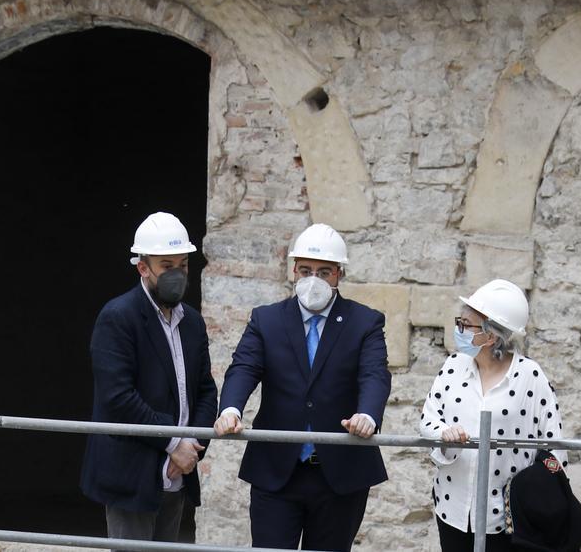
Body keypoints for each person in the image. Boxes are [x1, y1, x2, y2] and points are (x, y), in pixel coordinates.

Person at [214, 223, 392, 552]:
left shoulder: (364, 322)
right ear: (294, 270)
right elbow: (244, 366)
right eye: (307, 270)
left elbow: (374, 374)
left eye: (324, 272)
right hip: (276, 470)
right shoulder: (266, 319)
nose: (314, 280)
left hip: (338, 475)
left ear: (339, 275)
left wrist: (367, 414)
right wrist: (230, 409)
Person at [80, 212, 218, 545]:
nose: (177, 275)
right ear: (143, 268)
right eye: (166, 266)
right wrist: (173, 445)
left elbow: (205, 391)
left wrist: (191, 449)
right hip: (133, 473)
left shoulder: (192, 323)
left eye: (183, 265)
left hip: (179, 472)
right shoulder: (119, 317)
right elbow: (118, 398)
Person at [419, 279, 568, 552]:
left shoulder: (529, 376)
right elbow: (428, 420)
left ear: (491, 336)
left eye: (466, 325)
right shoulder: (453, 366)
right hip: (453, 508)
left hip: (509, 519)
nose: (458, 330)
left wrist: (537, 498)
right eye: (459, 322)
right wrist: (445, 435)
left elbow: (554, 446)